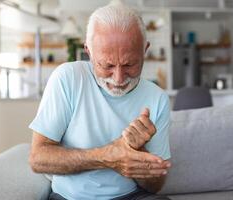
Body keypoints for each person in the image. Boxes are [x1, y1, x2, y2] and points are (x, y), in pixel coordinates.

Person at [29, 2, 172, 200]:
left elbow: (156, 186)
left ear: (144, 50)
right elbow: (38, 159)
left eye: (130, 64)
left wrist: (138, 151)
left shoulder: (158, 98)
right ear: (89, 51)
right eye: (107, 65)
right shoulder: (68, 78)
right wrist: (107, 156)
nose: (119, 78)